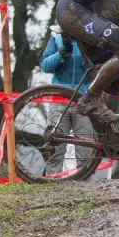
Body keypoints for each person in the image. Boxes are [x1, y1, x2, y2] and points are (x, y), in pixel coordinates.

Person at [39, 25, 95, 175]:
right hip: (59, 99)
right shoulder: (57, 37)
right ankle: (52, 186)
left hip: (84, 99)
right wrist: (60, 55)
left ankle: (85, 189)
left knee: (85, 152)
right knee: (55, 151)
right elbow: (45, 66)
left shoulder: (93, 34)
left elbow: (100, 67)